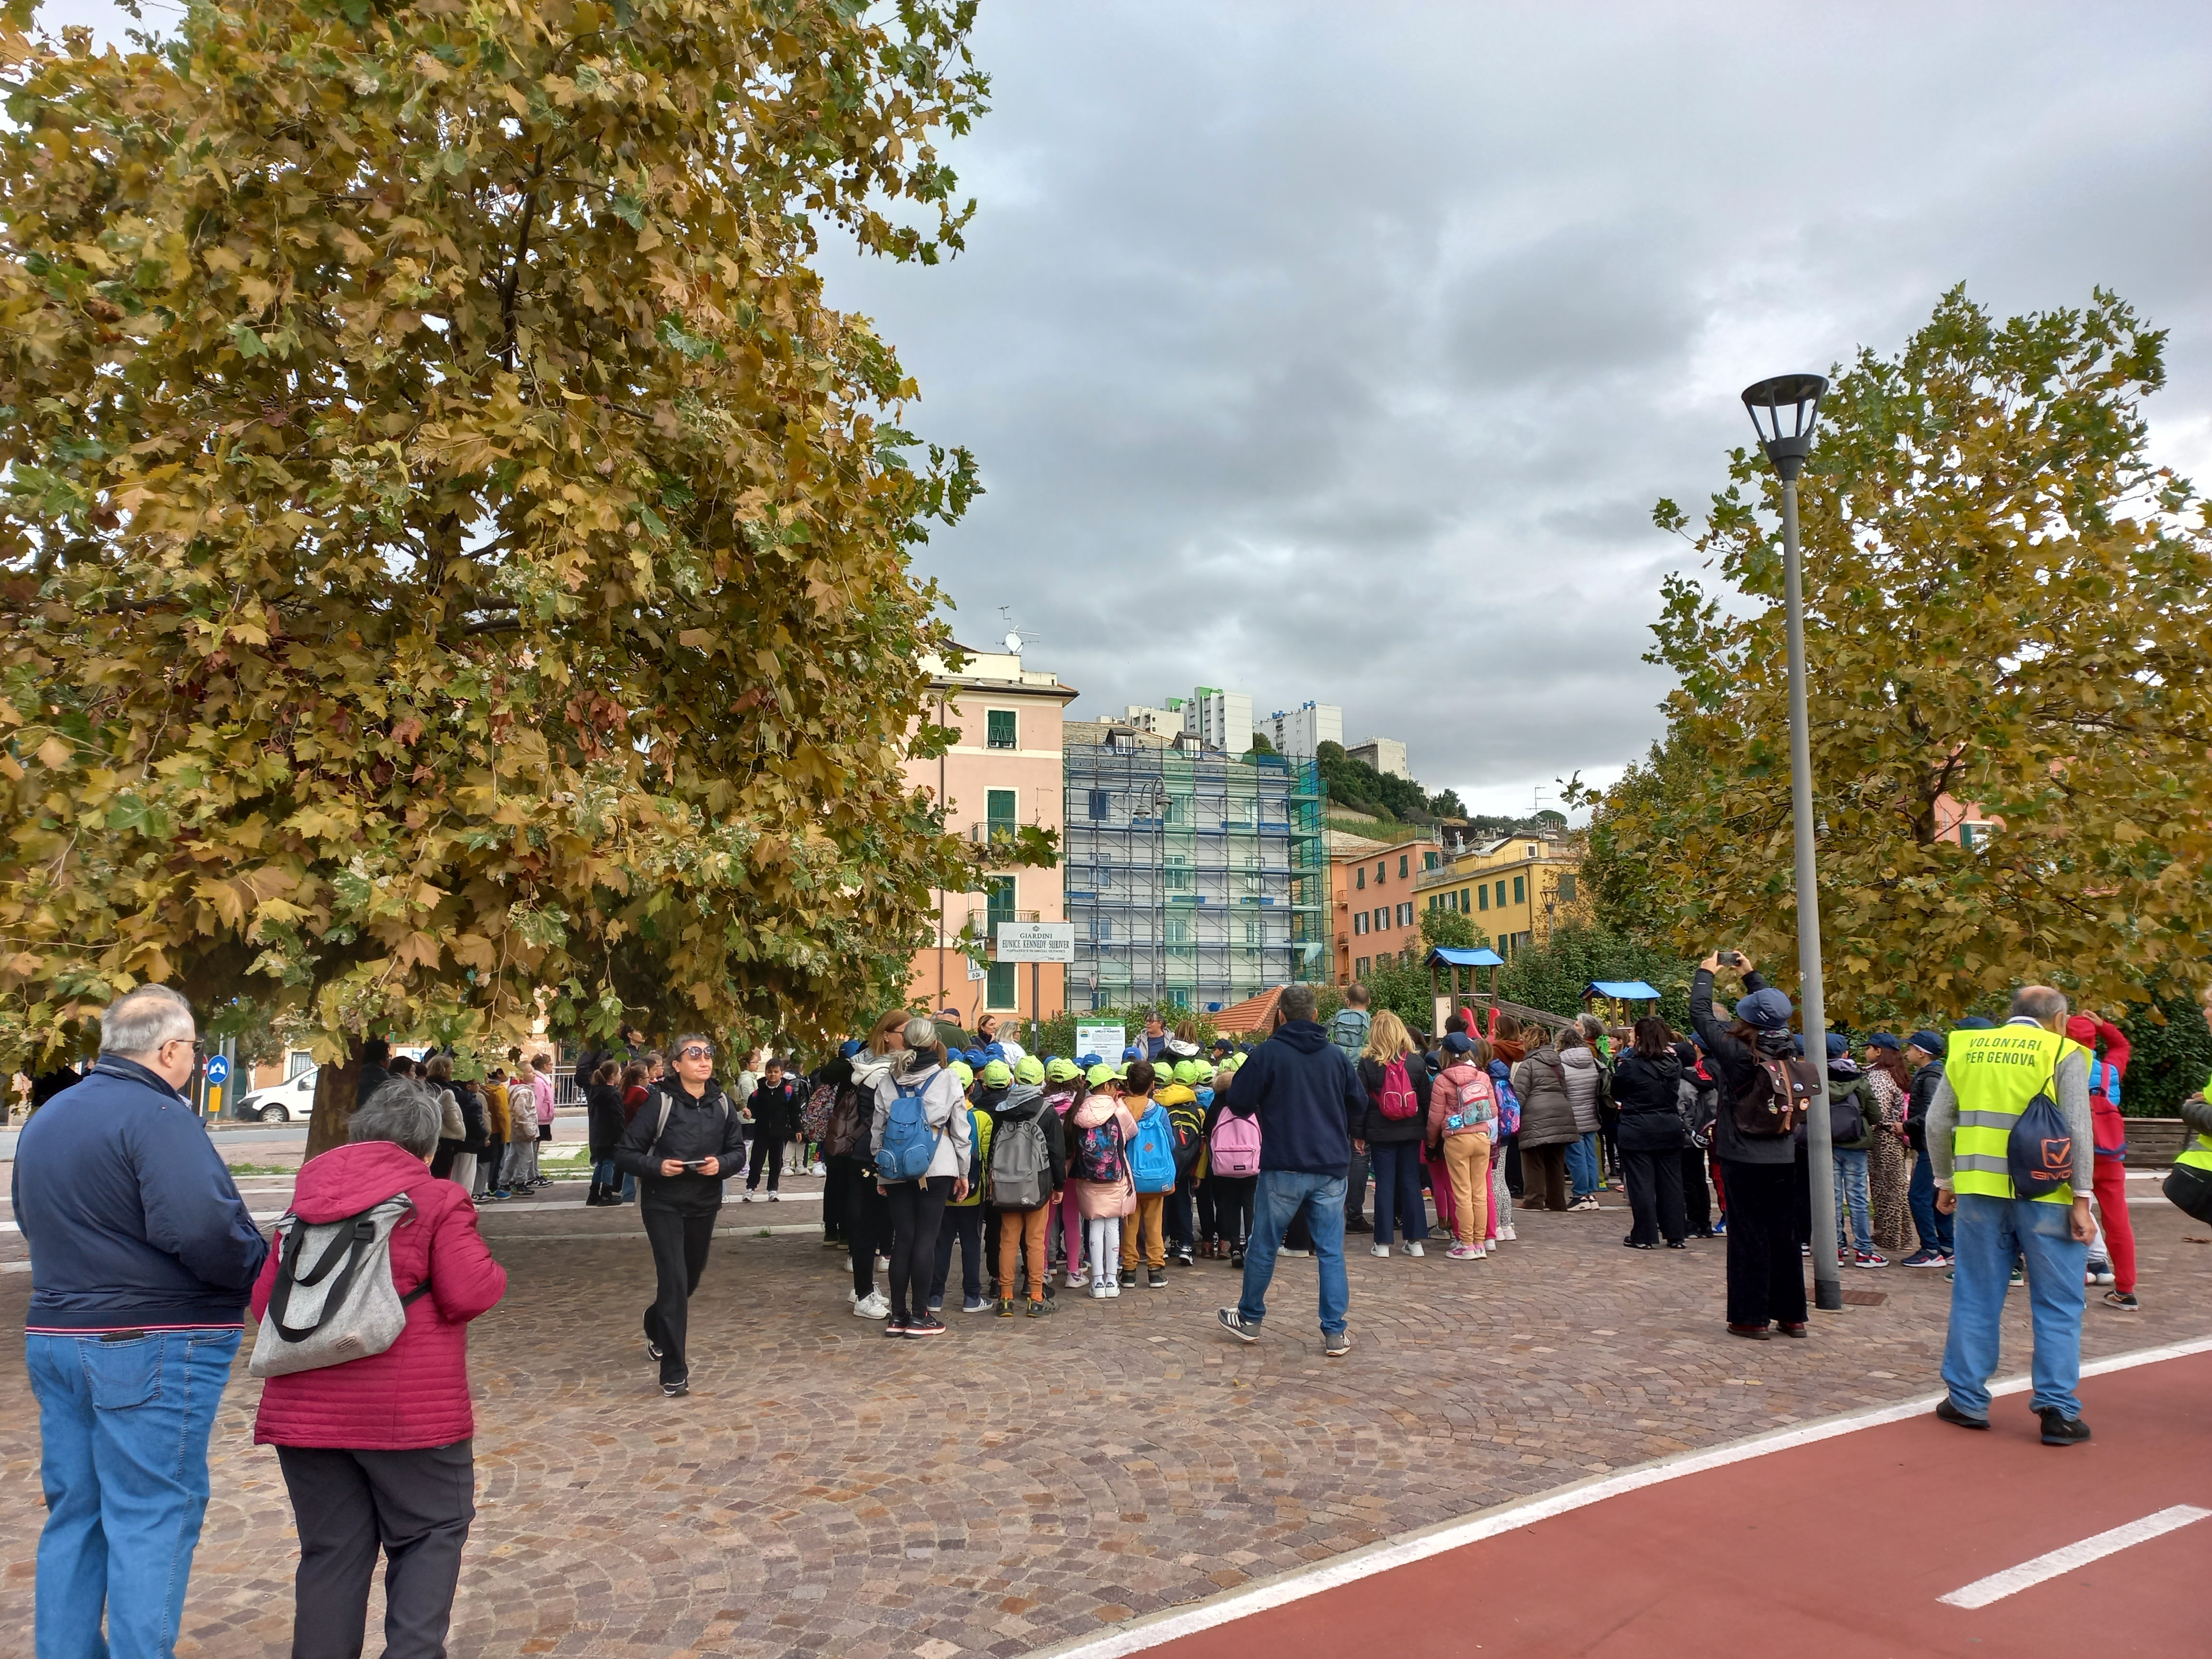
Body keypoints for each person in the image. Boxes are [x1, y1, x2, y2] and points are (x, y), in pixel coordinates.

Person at [15, 984, 271, 1659]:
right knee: (152, 1514)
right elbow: (203, 1228)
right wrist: (255, 1262)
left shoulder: (48, 1118)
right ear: (169, 1049)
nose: (194, 1062)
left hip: (57, 1334)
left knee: (77, 1512)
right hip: (150, 1339)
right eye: (193, 1050)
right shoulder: (157, 1114)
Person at [251, 1079, 508, 1659]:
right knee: (429, 1535)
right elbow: (470, 1293)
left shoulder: (303, 1207)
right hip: (408, 1417)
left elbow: (266, 1302)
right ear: (426, 1147)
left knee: (331, 1554)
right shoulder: (438, 1200)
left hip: (304, 1415)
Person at [1928, 986, 2096, 1445]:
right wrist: (2082, 1198)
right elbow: (2079, 1128)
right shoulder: (2063, 1050)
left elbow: (1938, 1121)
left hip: (1980, 1192)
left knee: (1976, 1294)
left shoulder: (1966, 1047)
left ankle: (1965, 1400)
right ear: (2059, 1018)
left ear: (2013, 1014)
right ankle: (2057, 1412)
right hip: (2048, 1193)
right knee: (2059, 1303)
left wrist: (1945, 1179)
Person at [1214, 984, 1364, 1356]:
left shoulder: (1268, 1054)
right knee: (1330, 1251)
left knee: (1264, 1244)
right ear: (1315, 1016)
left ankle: (1250, 1319)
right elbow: (1360, 1103)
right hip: (1330, 1165)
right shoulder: (1336, 1057)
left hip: (1283, 1164)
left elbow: (1239, 1103)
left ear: (1280, 1015)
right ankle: (1334, 1332)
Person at [613, 1034, 744, 1395]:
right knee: (673, 1281)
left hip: (704, 1203)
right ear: (677, 1064)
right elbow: (625, 1153)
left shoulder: (722, 1103)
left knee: (690, 1280)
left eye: (709, 1054)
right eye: (695, 1054)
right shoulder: (659, 1103)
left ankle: (654, 1323)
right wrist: (658, 1167)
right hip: (663, 1204)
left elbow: (738, 1152)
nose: (704, 1061)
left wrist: (722, 1165)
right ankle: (674, 1370)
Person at [1690, 953, 1810, 1340]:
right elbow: (1774, 1013)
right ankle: (1792, 1316)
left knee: (1749, 1236)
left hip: (1742, 1152)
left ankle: (1751, 1317)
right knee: (1785, 1235)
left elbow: (1701, 1015)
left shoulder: (1737, 1050)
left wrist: (1706, 973)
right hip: (1783, 1151)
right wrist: (1751, 974)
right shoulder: (1788, 1047)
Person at [872, 1017, 972, 1337]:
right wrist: (964, 1171)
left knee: (904, 1240)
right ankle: (920, 1316)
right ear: (933, 1043)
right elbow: (961, 1130)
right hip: (938, 1164)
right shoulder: (948, 1078)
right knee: (926, 1241)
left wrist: (882, 1172)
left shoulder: (888, 1080)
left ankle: (897, 1316)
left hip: (897, 1167)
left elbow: (877, 1131)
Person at [2067, 1010, 2135, 1309]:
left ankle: (2076, 1275)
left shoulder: (2058, 1067)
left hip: (2070, 1155)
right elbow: (2122, 1047)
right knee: (2118, 1221)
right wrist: (2103, 1026)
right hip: (2109, 1154)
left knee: (2067, 1214)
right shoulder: (2110, 1071)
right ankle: (2126, 1289)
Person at [990, 1055, 1066, 1316]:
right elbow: (1057, 1153)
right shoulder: (1046, 1112)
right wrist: (1059, 1185)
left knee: (1007, 1241)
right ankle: (1036, 1297)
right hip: (1037, 1186)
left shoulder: (1001, 1109)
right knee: (1035, 1242)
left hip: (1006, 1184)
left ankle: (1006, 1298)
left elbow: (993, 1150)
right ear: (1039, 1080)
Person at [1355, 1011, 1432, 1258]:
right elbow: (1427, 1101)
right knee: (1411, 1183)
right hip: (1411, 1131)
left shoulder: (1368, 1063)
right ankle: (1415, 1241)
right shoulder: (1417, 1063)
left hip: (1380, 1132)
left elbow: (1360, 1103)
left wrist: (1358, 1134)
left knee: (1384, 1184)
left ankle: (1383, 1243)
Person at [1612, 1016, 1689, 1250]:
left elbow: (1617, 1090)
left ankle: (1644, 1234)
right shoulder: (1674, 1065)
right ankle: (1676, 1233)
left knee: (1641, 1184)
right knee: (1672, 1182)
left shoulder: (1632, 1066)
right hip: (1669, 1125)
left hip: (1638, 1126)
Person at [1068, 1066, 1139, 1298]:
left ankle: (1097, 1282)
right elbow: (1131, 1132)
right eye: (1115, 1085)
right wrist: (1119, 1104)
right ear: (1107, 1086)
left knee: (1095, 1226)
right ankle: (1111, 1281)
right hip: (1115, 1177)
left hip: (1088, 1179)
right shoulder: (1118, 1111)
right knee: (1113, 1227)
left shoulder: (1078, 1111)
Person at [1425, 1031, 1496, 1260]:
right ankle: (1479, 1242)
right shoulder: (1482, 1077)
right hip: (1481, 1138)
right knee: (1480, 1192)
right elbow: (1493, 1111)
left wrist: (1433, 1140)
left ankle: (1466, 1244)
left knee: (1462, 1193)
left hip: (1457, 1140)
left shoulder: (1442, 1080)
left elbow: (1435, 1119)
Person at [931, 1066, 995, 1314]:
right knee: (971, 1243)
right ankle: (972, 1296)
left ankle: (934, 1296)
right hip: (972, 1192)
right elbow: (988, 1156)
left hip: (941, 1189)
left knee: (940, 1243)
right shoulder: (982, 1118)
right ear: (972, 1088)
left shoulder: (935, 1114)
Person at [1819, 1033, 1882, 1266]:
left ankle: (1835, 1249)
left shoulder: (1816, 1078)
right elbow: (1876, 1115)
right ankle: (1865, 1252)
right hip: (1856, 1144)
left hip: (1826, 1145)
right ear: (1845, 1054)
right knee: (1858, 1199)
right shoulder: (1860, 1080)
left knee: (1831, 1199)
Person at [1118, 1062, 1174, 1289]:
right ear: (1153, 1085)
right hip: (1155, 1177)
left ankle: (1129, 1271)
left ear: (1128, 1085)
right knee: (1154, 1224)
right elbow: (1170, 1143)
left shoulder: (1120, 1109)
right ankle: (1156, 1271)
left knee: (1130, 1225)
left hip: (1128, 1178)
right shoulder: (1159, 1111)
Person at [1512, 1027, 1580, 1212]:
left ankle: (1534, 1200)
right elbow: (1564, 1089)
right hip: (1561, 1112)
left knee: (1533, 1159)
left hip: (1536, 1115)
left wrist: (1512, 1116)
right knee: (1556, 1160)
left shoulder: (1528, 1064)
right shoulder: (1557, 1063)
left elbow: (1520, 1094)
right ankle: (1557, 1201)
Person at [1900, 1030, 1952, 1266]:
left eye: (1910, 1048)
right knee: (1934, 1198)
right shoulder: (1931, 1074)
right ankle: (1948, 1246)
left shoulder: (1931, 1077)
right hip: (1932, 1145)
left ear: (1921, 1053)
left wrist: (1905, 1126)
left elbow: (1932, 1114)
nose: (1907, 1052)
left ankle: (1931, 1250)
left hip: (1932, 1146)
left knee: (1919, 1197)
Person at [1861, 1034, 1915, 1254]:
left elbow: (1877, 1112)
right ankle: (1903, 1234)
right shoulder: (1897, 1075)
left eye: (1869, 1048)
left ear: (1878, 1051)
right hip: (1896, 1138)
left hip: (1883, 1138)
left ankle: (1889, 1236)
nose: (1866, 1052)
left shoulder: (1879, 1077)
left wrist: (1865, 1131)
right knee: (1897, 1187)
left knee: (1886, 1189)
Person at [1329, 985, 1374, 1229]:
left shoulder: (1334, 1021)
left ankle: (1330, 1209)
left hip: (1335, 1088)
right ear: (1368, 1001)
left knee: (1334, 1148)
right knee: (1360, 1153)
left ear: (1347, 1001)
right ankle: (1355, 1215)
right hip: (1362, 1088)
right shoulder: (1373, 1024)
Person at [1556, 1026, 1607, 1209]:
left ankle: (1580, 1195)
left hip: (1572, 1116)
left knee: (1576, 1157)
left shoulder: (1561, 1063)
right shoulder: (1592, 1061)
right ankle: (1592, 1194)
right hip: (1591, 1114)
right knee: (1591, 1155)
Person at [743, 1055, 802, 1200]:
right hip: (761, 1133)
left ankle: (773, 1189)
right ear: (766, 1073)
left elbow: (794, 1113)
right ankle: (750, 1188)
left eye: (776, 1072)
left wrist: (798, 1129)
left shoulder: (788, 1092)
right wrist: (749, 1114)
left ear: (782, 1073)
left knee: (776, 1162)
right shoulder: (759, 1091)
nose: (773, 1075)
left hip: (779, 1133)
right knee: (756, 1161)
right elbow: (752, 1109)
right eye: (770, 1072)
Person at [585, 1059, 628, 1206]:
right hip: (610, 1135)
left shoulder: (595, 1092)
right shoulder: (613, 1094)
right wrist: (620, 1136)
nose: (621, 1077)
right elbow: (618, 1117)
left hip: (598, 1134)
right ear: (613, 1075)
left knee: (601, 1163)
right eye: (620, 1074)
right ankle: (606, 1192)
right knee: (609, 1164)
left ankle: (594, 1193)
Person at [423, 1054, 467, 1180]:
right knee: (441, 1177)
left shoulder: (423, 1087)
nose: (453, 1071)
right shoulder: (447, 1093)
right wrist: (461, 1133)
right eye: (451, 1067)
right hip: (444, 1142)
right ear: (443, 1069)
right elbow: (452, 1119)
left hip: (424, 1138)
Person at [504, 1054, 541, 1194]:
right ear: (521, 1075)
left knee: (513, 1156)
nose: (534, 1074)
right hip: (523, 1131)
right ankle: (520, 1183)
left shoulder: (519, 1090)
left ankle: (505, 1181)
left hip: (517, 1130)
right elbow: (522, 1113)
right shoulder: (523, 1092)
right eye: (530, 1072)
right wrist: (530, 1132)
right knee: (526, 1157)